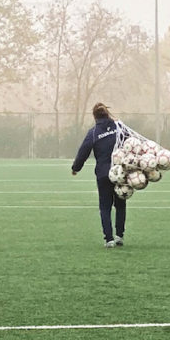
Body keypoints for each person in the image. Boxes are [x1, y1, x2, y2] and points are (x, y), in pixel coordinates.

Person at [71, 102, 126, 248]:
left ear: (94, 117)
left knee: (105, 207)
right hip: (120, 172)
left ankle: (109, 239)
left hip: (103, 174)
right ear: (107, 114)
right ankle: (119, 236)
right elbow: (131, 143)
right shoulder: (119, 128)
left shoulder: (94, 132)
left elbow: (84, 151)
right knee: (120, 204)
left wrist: (76, 168)